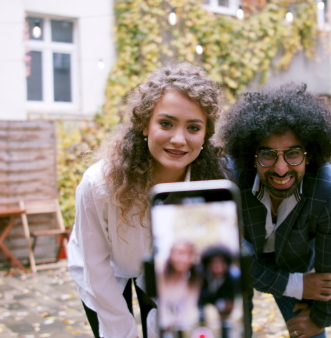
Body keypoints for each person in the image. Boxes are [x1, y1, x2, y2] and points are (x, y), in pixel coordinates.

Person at [67, 62, 228, 338]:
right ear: (144, 125)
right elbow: (97, 269)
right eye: (166, 123)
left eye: (193, 127)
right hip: (101, 269)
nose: (179, 139)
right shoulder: (98, 185)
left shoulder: (209, 188)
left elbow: (189, 274)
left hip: (163, 269)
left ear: (205, 135)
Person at [218, 82, 331, 338]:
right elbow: (231, 257)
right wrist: (295, 285)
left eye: (293, 154)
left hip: (298, 263)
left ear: (310, 155)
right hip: (243, 271)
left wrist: (321, 319)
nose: (281, 169)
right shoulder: (228, 180)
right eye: (268, 155)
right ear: (251, 156)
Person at [157, 240, 202, 333]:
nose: (184, 259)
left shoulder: (193, 278)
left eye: (189, 254)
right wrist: (167, 324)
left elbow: (189, 306)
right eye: (180, 253)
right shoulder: (159, 272)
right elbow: (160, 302)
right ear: (171, 254)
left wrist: (180, 326)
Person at [198, 245, 241, 327]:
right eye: (214, 262)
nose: (217, 266)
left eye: (221, 262)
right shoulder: (201, 277)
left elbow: (235, 300)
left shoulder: (234, 277)